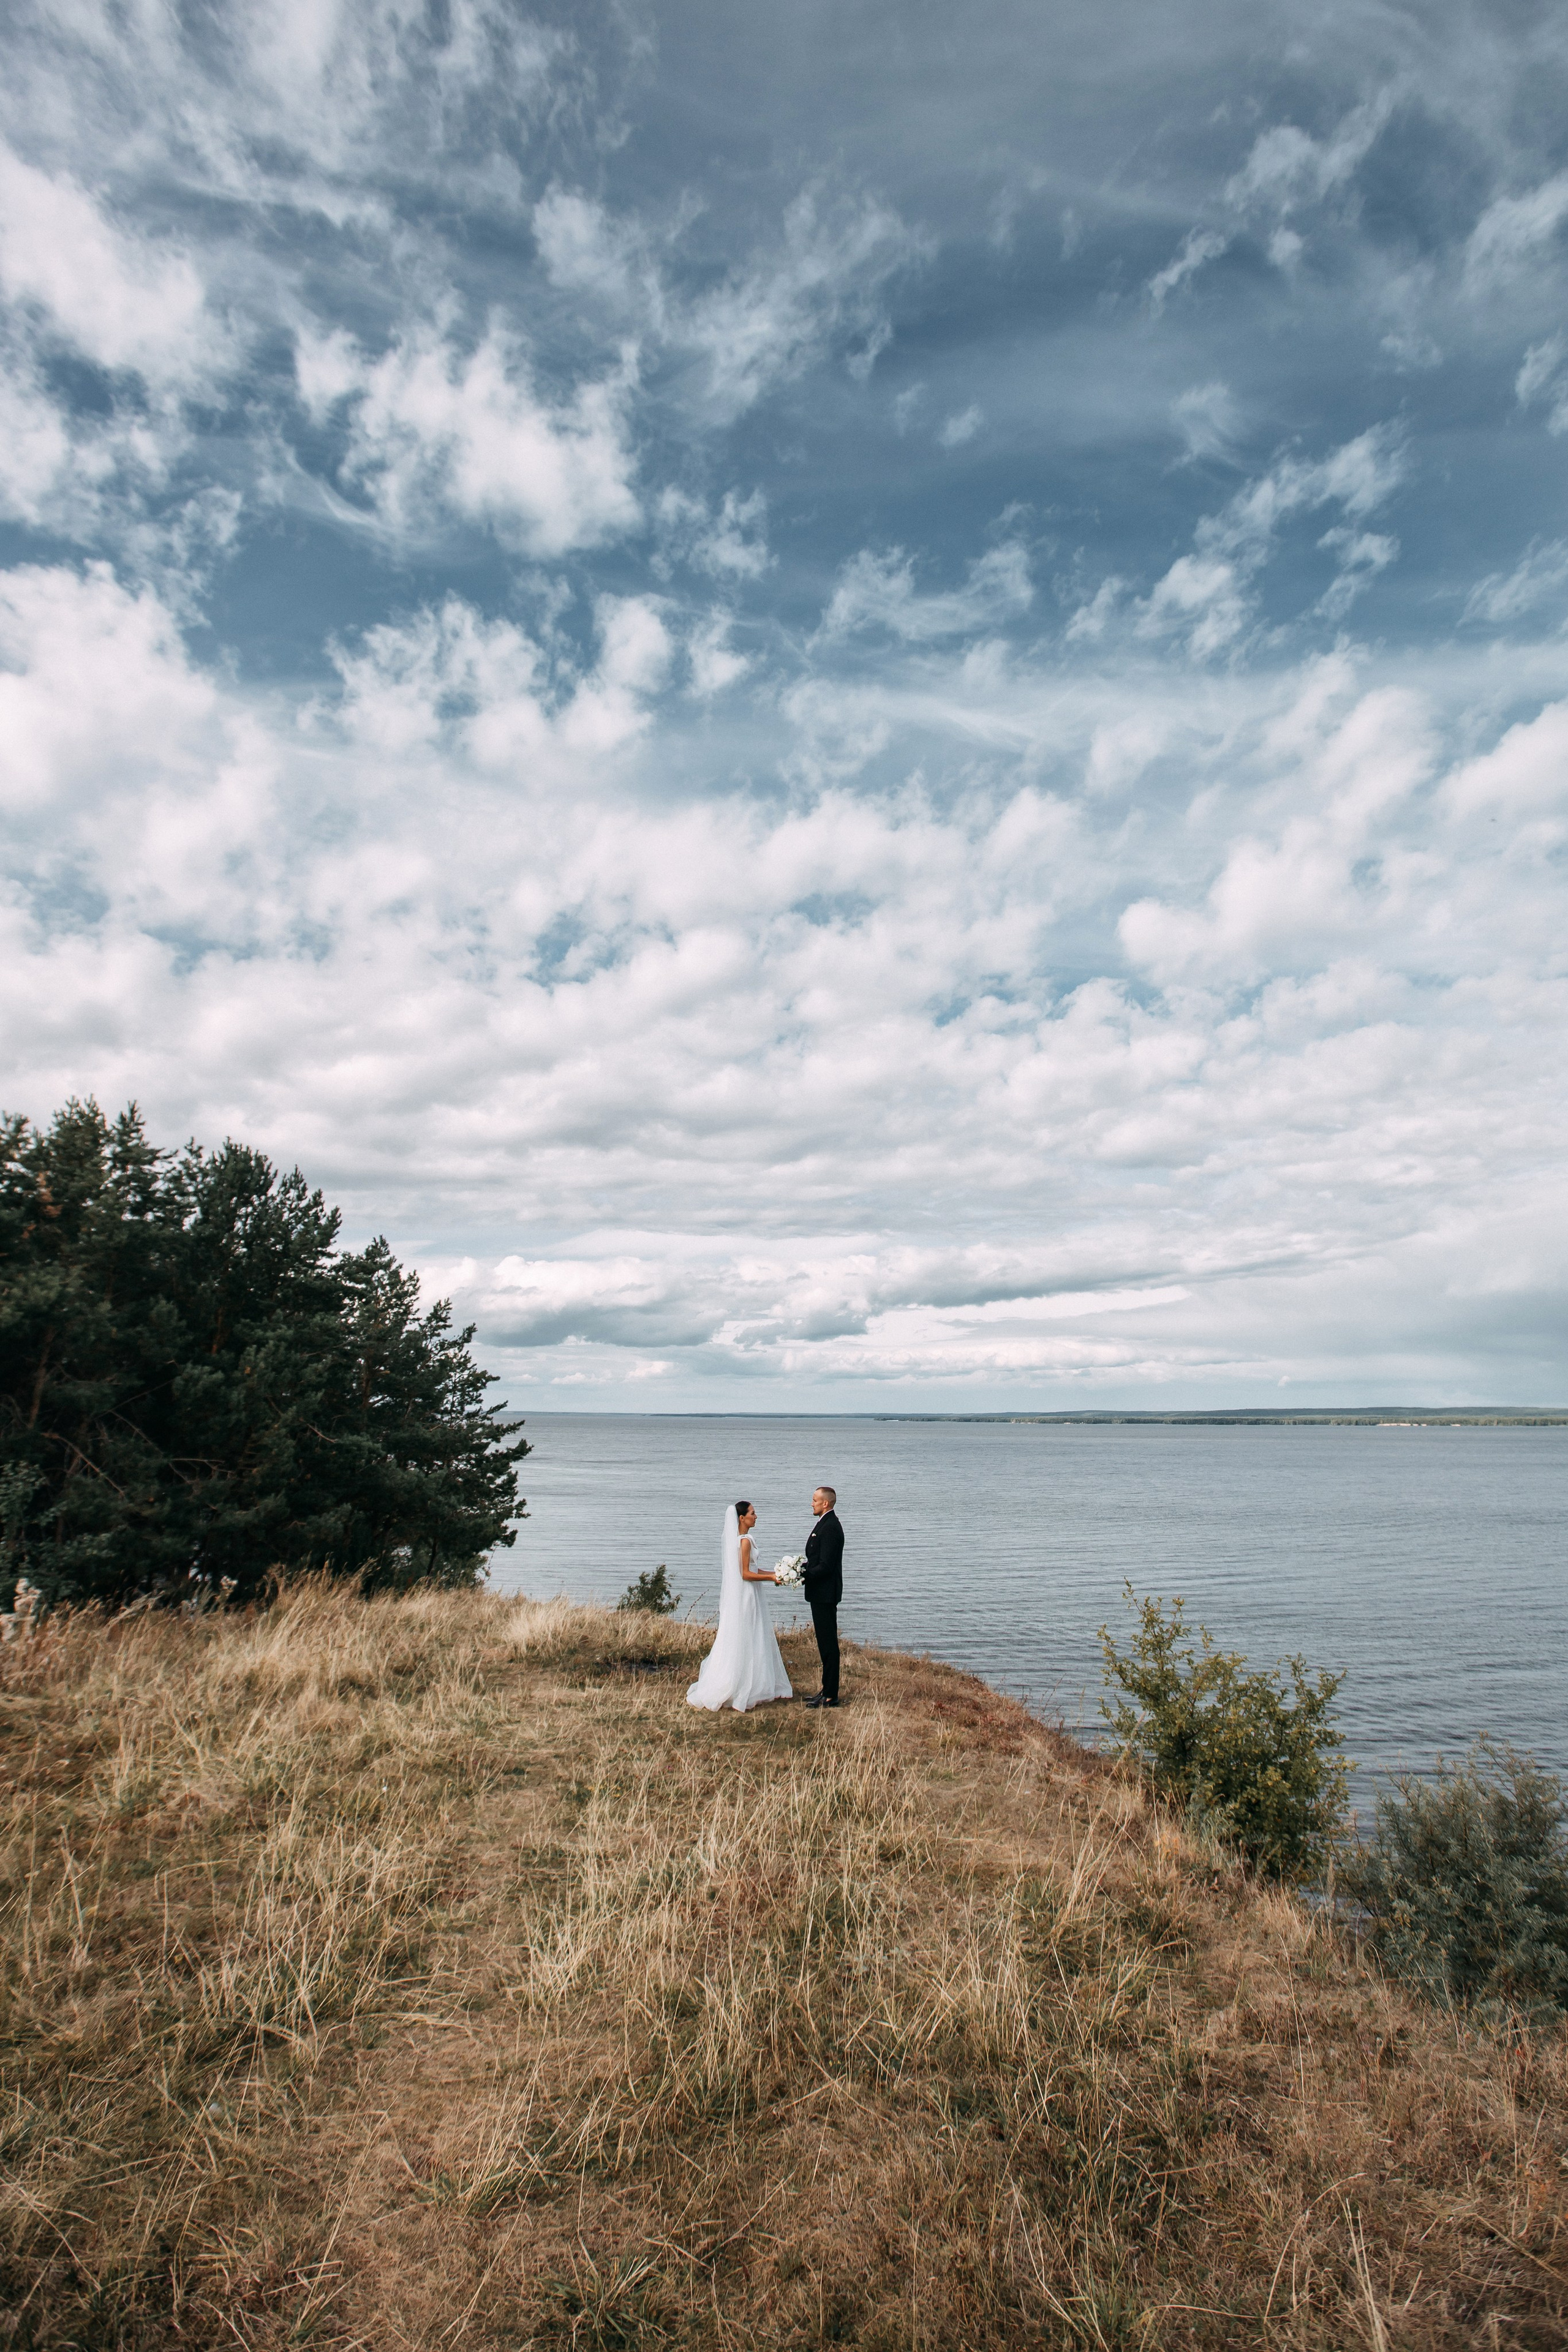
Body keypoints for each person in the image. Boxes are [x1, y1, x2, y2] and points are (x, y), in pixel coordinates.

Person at [686, 1501, 794, 1713]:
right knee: (749, 1633)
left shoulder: (742, 1540)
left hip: (750, 1593)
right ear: (742, 1519)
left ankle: (752, 1681)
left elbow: (753, 1568)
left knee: (750, 1634)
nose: (756, 1516)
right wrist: (771, 1577)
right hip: (748, 1595)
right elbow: (745, 1574)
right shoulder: (744, 1541)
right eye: (753, 1513)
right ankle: (744, 1684)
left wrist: (774, 1574)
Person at [801, 1484, 844, 1709]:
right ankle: (826, 1689)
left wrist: (802, 1574)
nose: (812, 1503)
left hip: (826, 1594)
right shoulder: (824, 1524)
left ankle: (830, 1696)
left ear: (825, 1503)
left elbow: (826, 1567)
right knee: (824, 1643)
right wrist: (800, 1568)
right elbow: (818, 1560)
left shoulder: (831, 1527)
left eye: (815, 1500)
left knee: (828, 1645)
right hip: (820, 1593)